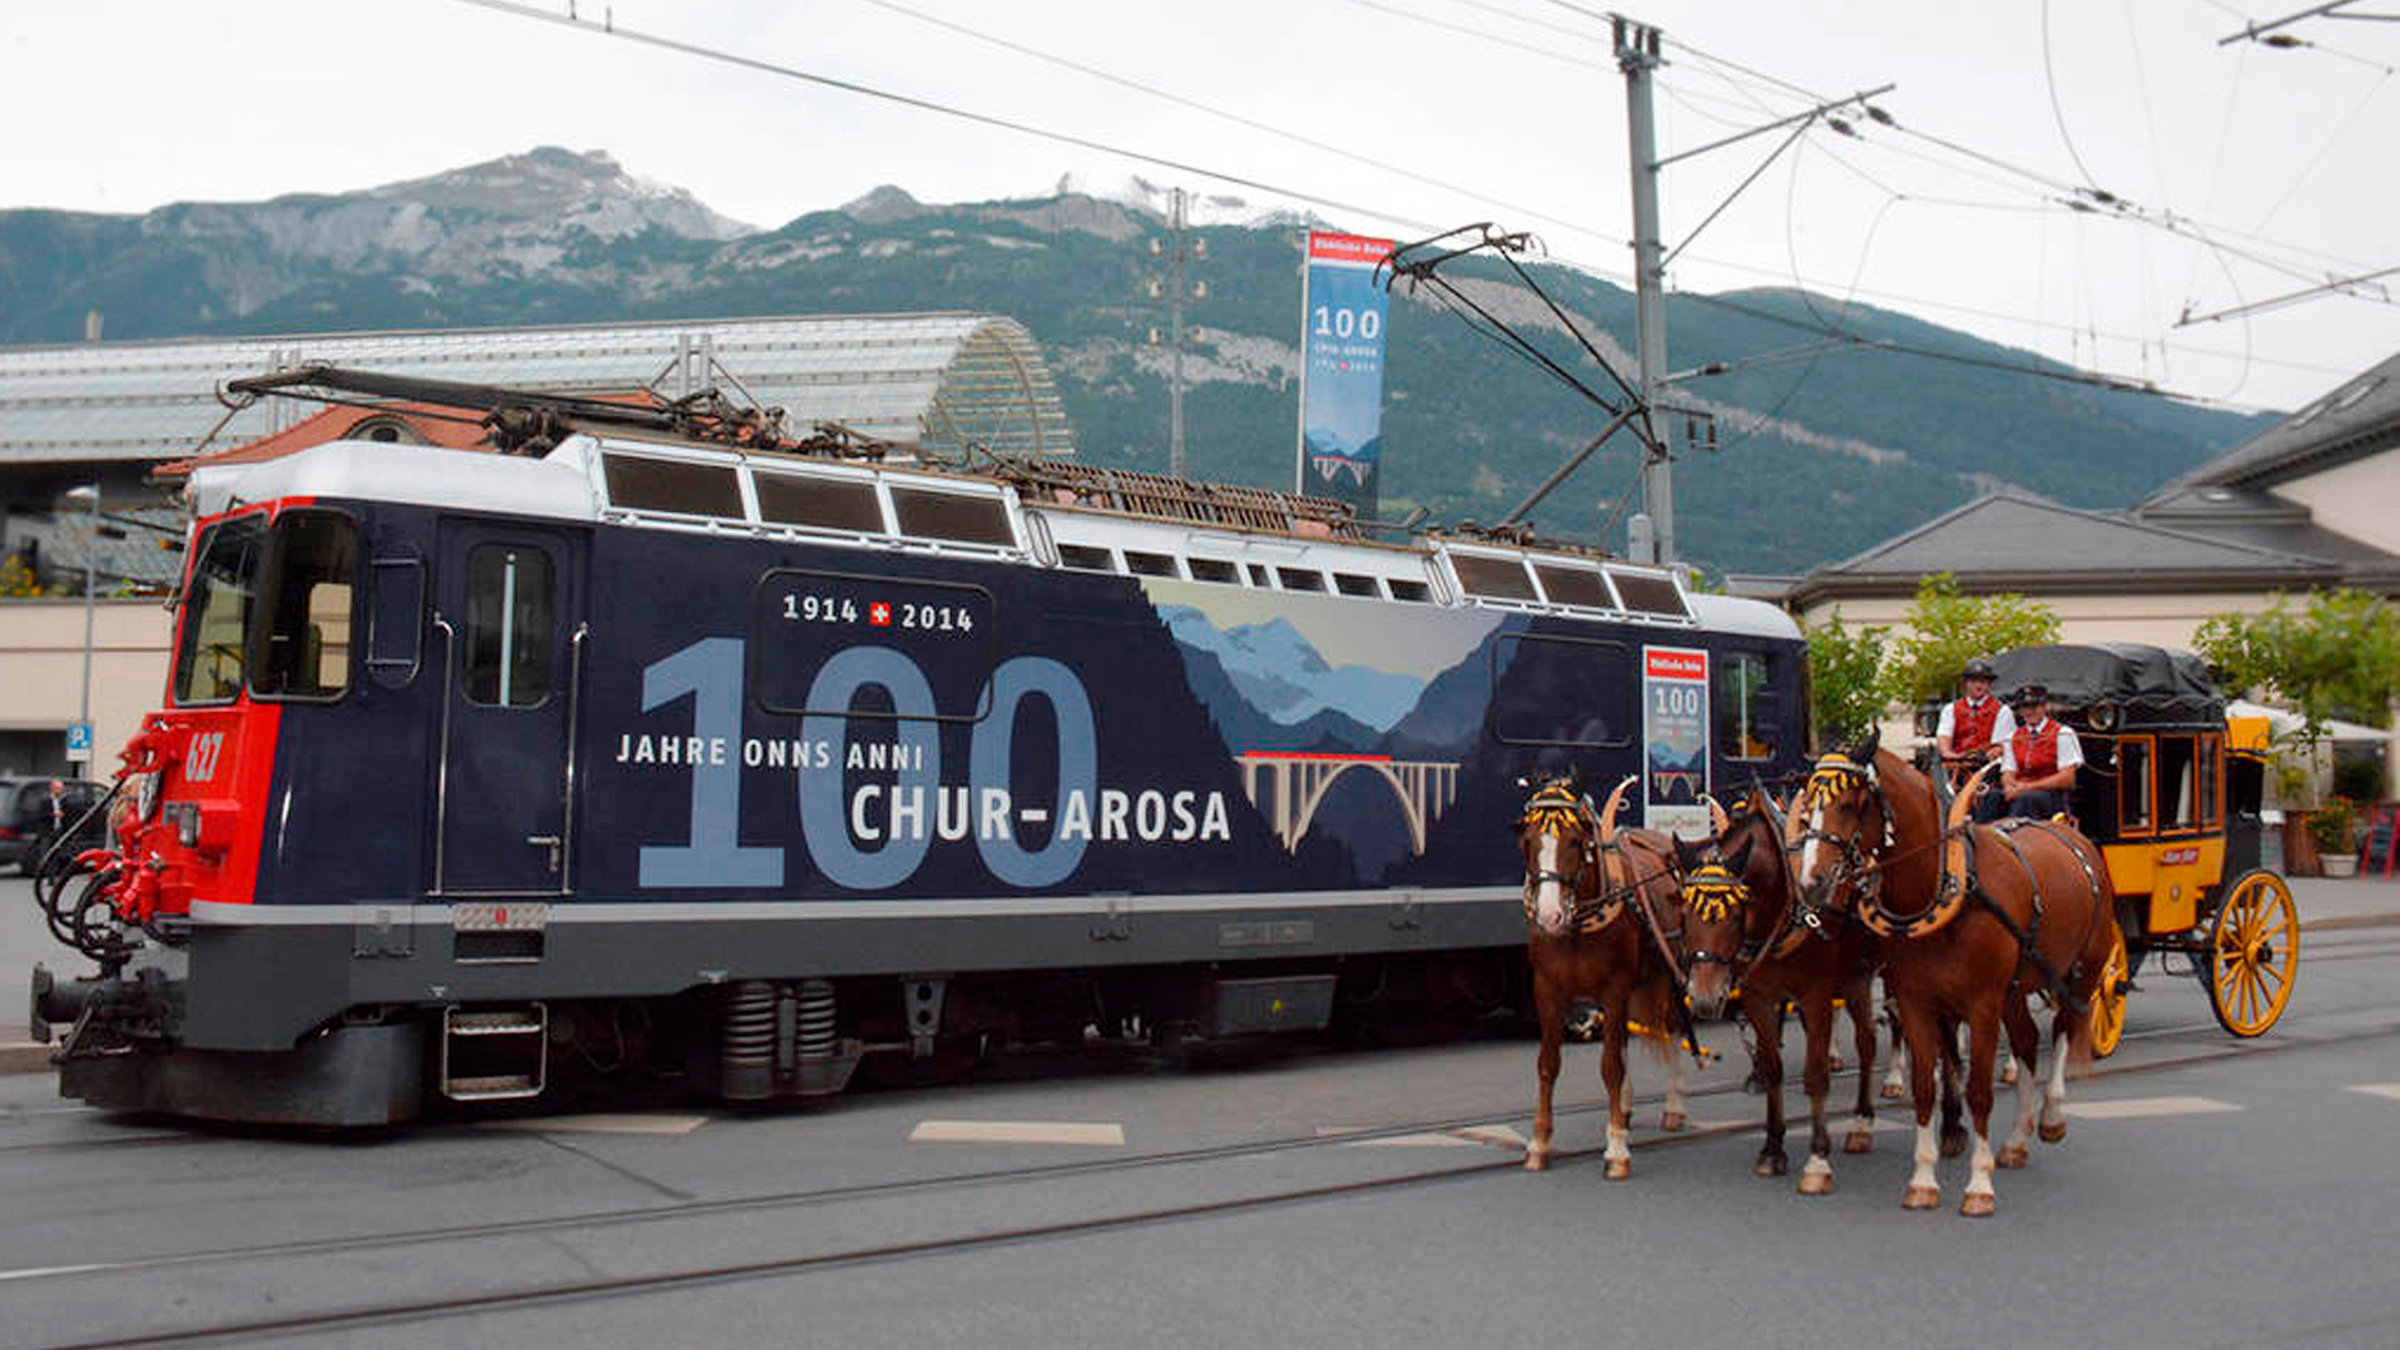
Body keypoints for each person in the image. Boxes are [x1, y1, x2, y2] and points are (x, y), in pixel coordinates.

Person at [1936, 658, 2015, 821]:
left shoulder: (2002, 711)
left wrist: (1989, 754)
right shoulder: (1951, 709)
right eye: (1974, 681)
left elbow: (2001, 746)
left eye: (1983, 682)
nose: (1979, 686)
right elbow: (1943, 739)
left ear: (1989, 685)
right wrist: (1950, 755)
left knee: (1989, 796)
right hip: (1956, 767)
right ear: (1966, 684)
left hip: (1986, 769)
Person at [2001, 684, 2083, 821]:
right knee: (1991, 798)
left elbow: (2068, 778)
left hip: (2051, 796)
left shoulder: (2063, 733)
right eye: (2025, 707)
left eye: (2034, 707)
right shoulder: (2012, 737)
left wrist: (2027, 787)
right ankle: (1978, 839)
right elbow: (2008, 771)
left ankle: (2012, 838)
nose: (2029, 712)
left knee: (2027, 798)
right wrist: (2009, 786)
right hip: (2021, 792)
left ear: (2044, 707)